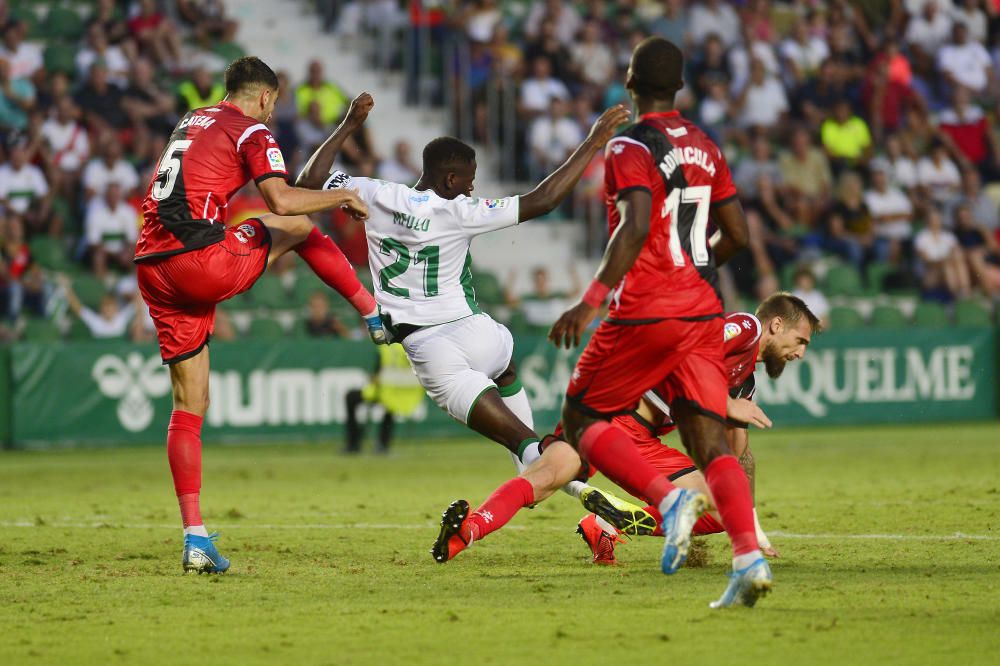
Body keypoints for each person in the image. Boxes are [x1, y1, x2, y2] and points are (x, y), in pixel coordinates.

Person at [431, 37, 764, 610]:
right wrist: (693, 267)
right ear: (680, 87)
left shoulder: (631, 143)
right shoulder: (707, 146)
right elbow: (737, 235)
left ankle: (665, 502)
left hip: (647, 305)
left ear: (631, 86)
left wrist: (590, 301)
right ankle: (749, 559)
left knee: (580, 421)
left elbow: (633, 226)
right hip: (700, 306)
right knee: (715, 449)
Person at [297, 92, 637, 551]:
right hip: (481, 335)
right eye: (469, 181)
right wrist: (594, 140)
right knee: (517, 404)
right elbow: (545, 199)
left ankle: (579, 487)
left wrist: (348, 124)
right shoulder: (459, 212)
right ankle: (579, 491)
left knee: (525, 447)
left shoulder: (375, 194)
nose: (473, 189)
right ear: (450, 177)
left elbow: (305, 184)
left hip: (433, 352)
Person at [134, 57, 387, 575]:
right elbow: (282, 198)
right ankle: (373, 312)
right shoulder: (252, 129)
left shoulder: (193, 119)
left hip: (152, 265)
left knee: (190, 402)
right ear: (267, 98)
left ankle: (195, 537)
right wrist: (342, 194)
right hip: (197, 260)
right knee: (295, 228)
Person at [577, 295, 820, 564]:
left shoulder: (744, 384)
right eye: (800, 341)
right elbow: (693, 349)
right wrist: (725, 403)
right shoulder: (746, 327)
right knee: (542, 475)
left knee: (724, 510)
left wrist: (752, 528)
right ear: (776, 324)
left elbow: (739, 459)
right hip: (614, 412)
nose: (800, 354)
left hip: (641, 438)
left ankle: (608, 524)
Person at [344, 344, 424, 455]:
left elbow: (377, 375)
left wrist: (374, 379)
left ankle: (353, 444)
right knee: (390, 408)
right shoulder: (411, 345)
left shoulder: (385, 347)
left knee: (350, 397)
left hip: (385, 391)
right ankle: (383, 444)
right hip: (411, 394)